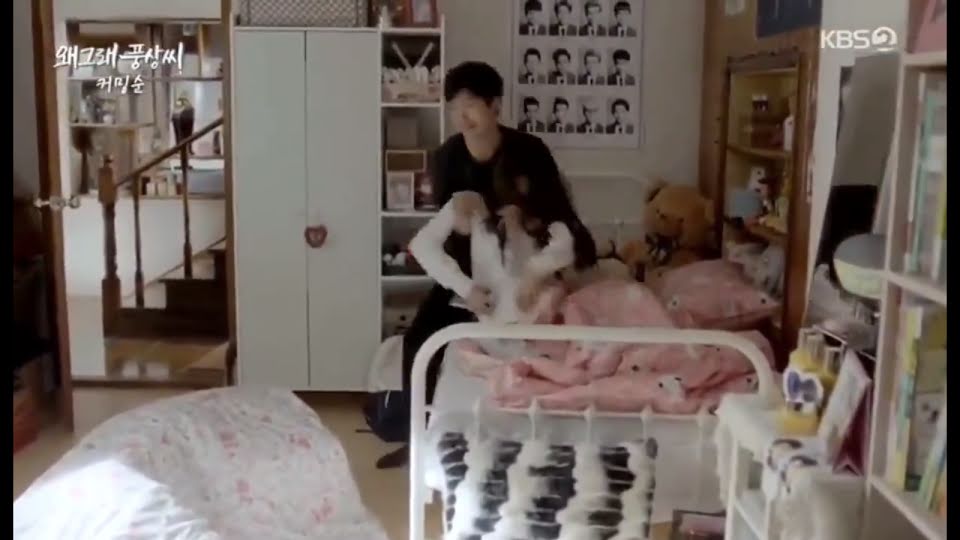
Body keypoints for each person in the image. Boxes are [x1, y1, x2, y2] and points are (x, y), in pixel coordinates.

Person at [375, 61, 597, 469]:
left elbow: (561, 221)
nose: (462, 116)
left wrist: (534, 265)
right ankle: (414, 436)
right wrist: (465, 283)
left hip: (527, 272)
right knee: (419, 339)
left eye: (471, 105)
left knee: (564, 336)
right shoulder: (447, 157)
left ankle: (550, 429)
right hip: (469, 275)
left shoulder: (528, 152)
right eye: (454, 107)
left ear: (495, 106)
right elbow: (443, 232)